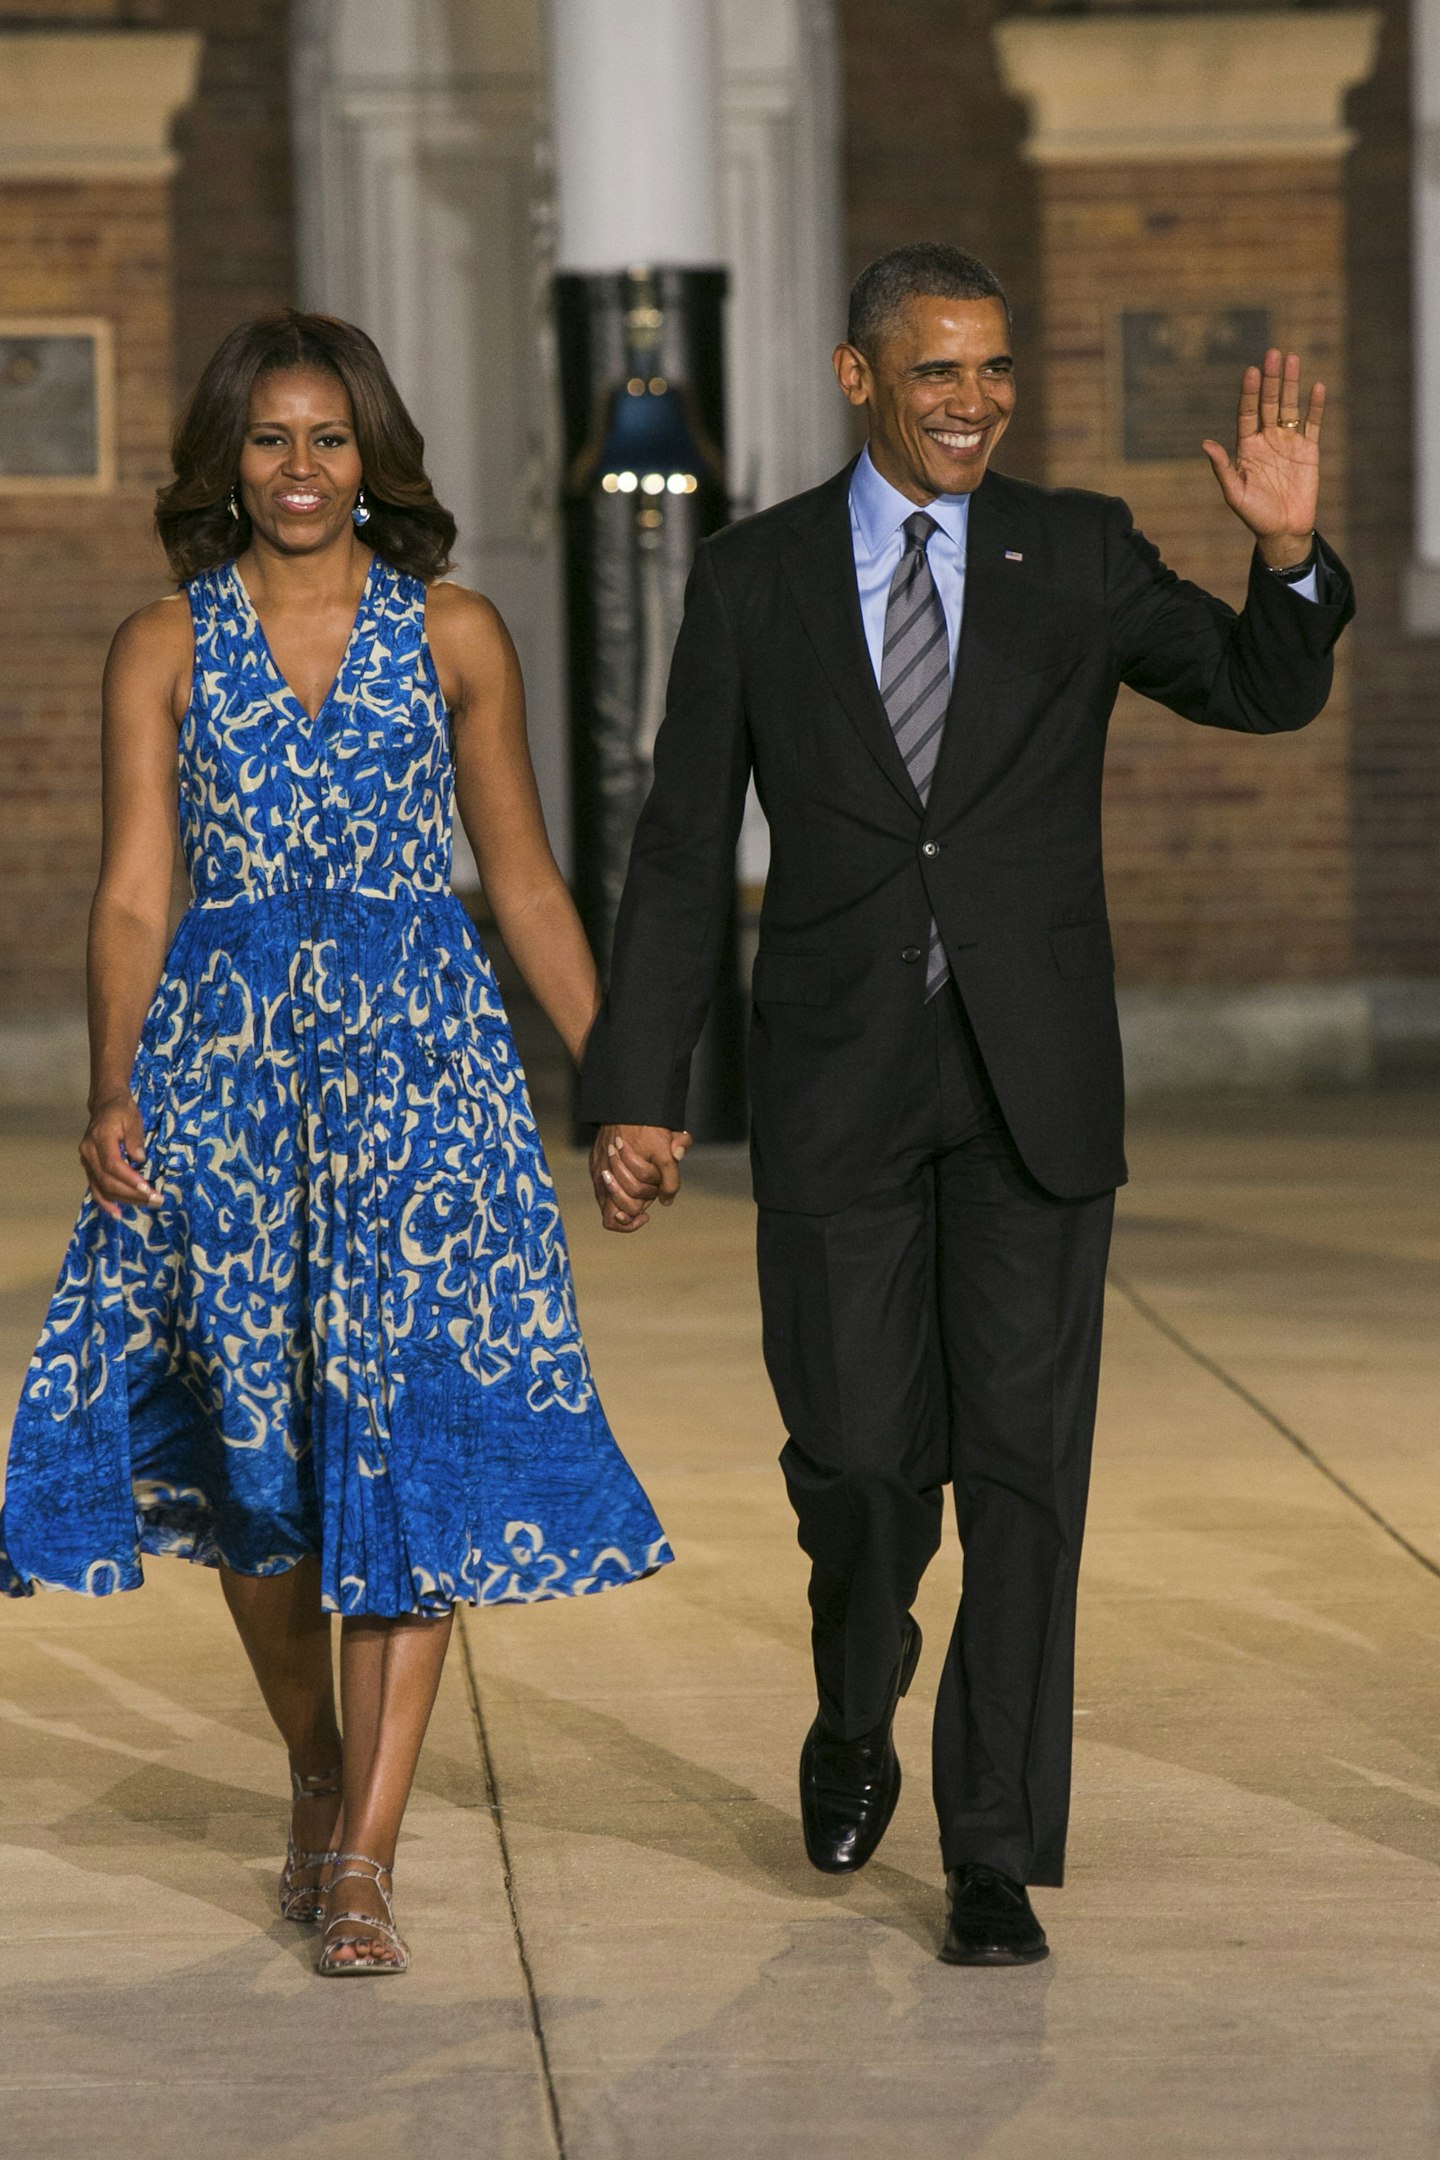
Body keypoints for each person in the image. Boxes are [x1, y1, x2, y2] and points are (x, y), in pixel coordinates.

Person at [579, 244, 1354, 1966]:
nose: (973, 402)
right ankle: (857, 1701)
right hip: (839, 1078)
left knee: (1022, 1475)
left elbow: (1257, 686)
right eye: (938, 372)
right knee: (859, 1468)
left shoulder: (1071, 552)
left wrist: (1287, 555)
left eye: (994, 371)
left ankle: (992, 1845)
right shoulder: (756, 575)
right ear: (861, 377)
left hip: (1034, 1087)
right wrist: (642, 1088)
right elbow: (684, 843)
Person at [0, 310, 671, 1977]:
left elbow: (520, 879)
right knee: (259, 1477)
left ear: (374, 453)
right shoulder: (163, 643)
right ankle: (316, 1759)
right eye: (271, 440)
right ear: (229, 457)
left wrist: (624, 1079)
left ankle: (366, 1850)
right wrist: (110, 1084)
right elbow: (137, 883)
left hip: (422, 1088)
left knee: (409, 1450)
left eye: (330, 439)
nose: (302, 470)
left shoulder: (455, 633)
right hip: (223, 1083)